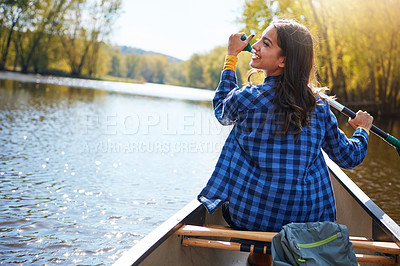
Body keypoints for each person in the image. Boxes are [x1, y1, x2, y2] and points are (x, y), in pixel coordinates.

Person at [198, 19, 373, 264]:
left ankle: (258, 258)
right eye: (259, 40)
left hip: (250, 215)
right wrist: (362, 131)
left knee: (259, 218)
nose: (255, 45)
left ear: (283, 61)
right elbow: (349, 158)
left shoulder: (248, 97)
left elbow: (221, 110)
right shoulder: (320, 108)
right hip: (304, 220)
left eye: (265, 43)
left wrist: (231, 56)